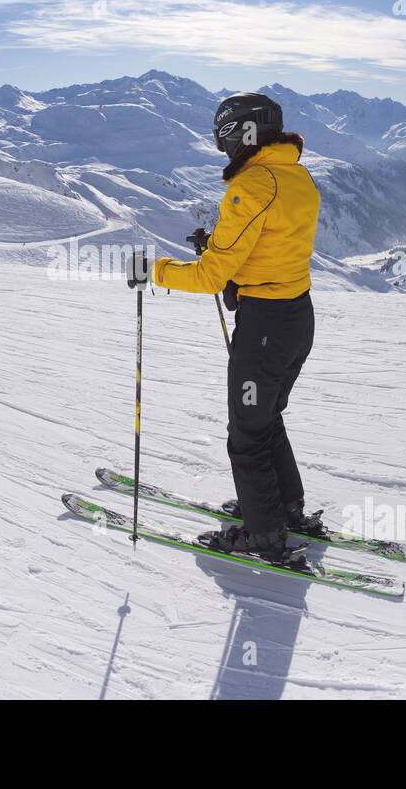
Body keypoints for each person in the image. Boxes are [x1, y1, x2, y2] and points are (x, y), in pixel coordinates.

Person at [147, 93, 322, 560]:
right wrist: (220, 246)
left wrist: (154, 271)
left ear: (239, 133)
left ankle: (264, 535)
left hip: (263, 329)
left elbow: (210, 278)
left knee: (246, 433)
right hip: (296, 317)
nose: (222, 146)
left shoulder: (252, 185)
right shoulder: (296, 175)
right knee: (266, 420)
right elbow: (273, 243)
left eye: (222, 136)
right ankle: (286, 509)